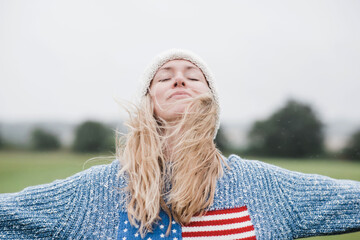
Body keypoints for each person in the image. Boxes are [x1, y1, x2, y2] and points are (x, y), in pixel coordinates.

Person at [0, 49, 359, 240]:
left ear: (211, 101)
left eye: (193, 77)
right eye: (165, 77)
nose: (179, 81)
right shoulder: (96, 191)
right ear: (148, 99)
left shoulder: (265, 187)